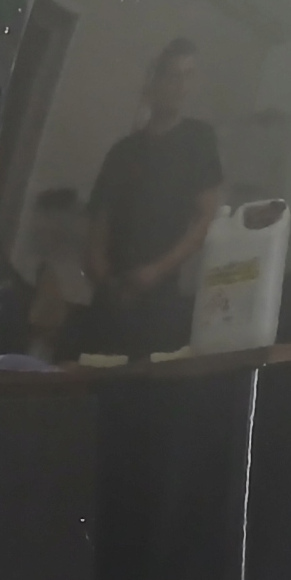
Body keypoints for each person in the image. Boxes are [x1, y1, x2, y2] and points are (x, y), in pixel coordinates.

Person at [83, 37, 223, 358]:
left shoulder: (198, 140)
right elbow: (98, 226)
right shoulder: (123, 152)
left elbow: (205, 218)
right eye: (173, 76)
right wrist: (106, 280)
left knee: (146, 379)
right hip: (110, 299)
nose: (181, 86)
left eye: (188, 76)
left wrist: (156, 271)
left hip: (160, 302)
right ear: (156, 82)